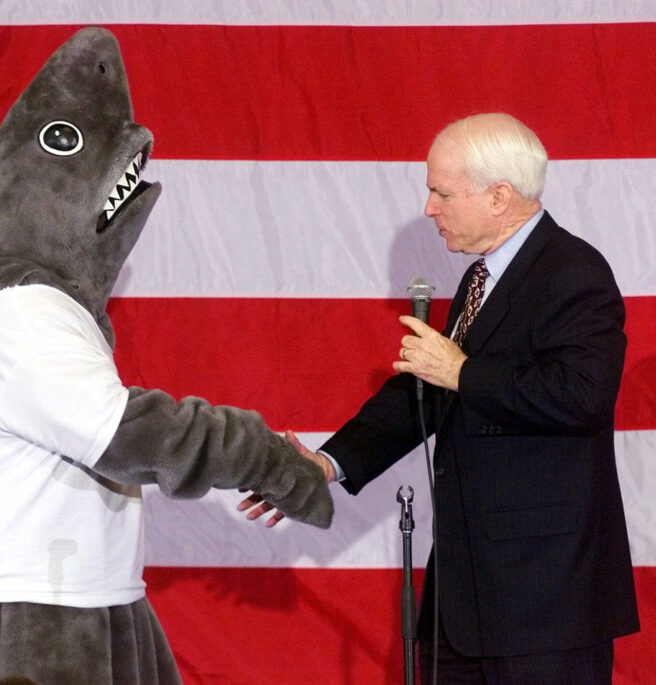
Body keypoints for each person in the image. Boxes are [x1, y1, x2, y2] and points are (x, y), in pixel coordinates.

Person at [241, 112, 639, 683]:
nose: (429, 208)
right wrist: (326, 464)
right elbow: (421, 393)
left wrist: (463, 372)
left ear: (499, 196)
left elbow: (582, 396)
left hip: (544, 605)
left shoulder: (572, 271)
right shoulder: (483, 279)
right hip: (464, 602)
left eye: (441, 192)